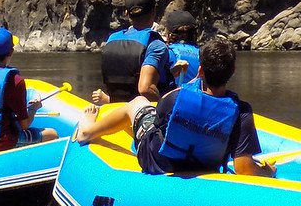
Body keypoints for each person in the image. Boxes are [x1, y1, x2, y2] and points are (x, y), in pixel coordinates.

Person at [73, 36, 276, 177]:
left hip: (158, 162)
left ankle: (87, 131)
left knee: (137, 103)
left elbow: (158, 122)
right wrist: (268, 171)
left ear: (201, 70)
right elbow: (244, 168)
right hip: (205, 165)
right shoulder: (241, 111)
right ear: (232, 71)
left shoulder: (176, 98)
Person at [91, 0, 174, 105]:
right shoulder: (155, 45)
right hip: (141, 114)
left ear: (127, 13)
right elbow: (145, 88)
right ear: (153, 12)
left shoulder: (112, 39)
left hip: (115, 109)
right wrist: (165, 107)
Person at [164, 9, 201, 87]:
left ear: (168, 35)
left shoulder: (166, 53)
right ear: (195, 34)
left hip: (174, 98)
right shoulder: (203, 55)